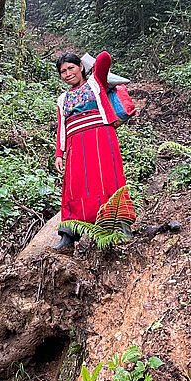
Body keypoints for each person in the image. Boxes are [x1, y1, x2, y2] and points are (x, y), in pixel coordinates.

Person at [53, 51, 135, 250]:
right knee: (73, 187)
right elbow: (61, 127)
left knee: (109, 180)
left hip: (101, 138)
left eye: (71, 68)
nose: (67, 74)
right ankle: (69, 236)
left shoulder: (96, 83)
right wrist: (59, 154)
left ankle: (121, 227)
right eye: (63, 71)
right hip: (75, 144)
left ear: (81, 66)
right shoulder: (62, 98)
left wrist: (90, 65)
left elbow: (105, 58)